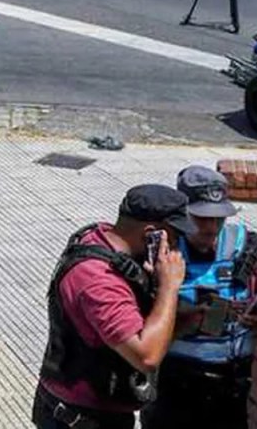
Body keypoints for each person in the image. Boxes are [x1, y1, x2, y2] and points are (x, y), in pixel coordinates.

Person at [32, 184, 192, 429]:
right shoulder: (100, 281)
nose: (177, 245)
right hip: (81, 419)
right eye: (174, 236)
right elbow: (146, 357)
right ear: (151, 234)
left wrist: (186, 321)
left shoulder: (104, 238)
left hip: (82, 409)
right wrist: (168, 287)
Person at [140, 166, 257, 429]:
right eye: (202, 218)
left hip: (233, 386)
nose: (211, 227)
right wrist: (192, 317)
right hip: (175, 384)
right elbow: (138, 327)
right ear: (182, 213)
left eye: (218, 218)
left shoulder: (251, 247)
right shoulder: (158, 253)